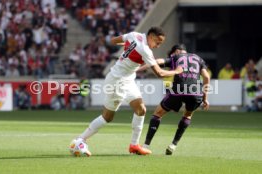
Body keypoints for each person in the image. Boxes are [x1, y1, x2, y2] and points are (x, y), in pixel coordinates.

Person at [71, 27, 183, 156]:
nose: (157, 46)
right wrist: (176, 71)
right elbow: (159, 73)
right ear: (151, 37)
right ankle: (80, 139)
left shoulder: (134, 35)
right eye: (157, 42)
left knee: (141, 109)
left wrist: (129, 46)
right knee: (107, 117)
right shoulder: (145, 50)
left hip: (128, 80)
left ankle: (134, 145)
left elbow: (113, 41)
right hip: (117, 81)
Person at [140, 44, 210, 155]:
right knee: (187, 115)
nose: (171, 55)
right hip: (196, 91)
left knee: (157, 114)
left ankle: (146, 145)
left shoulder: (176, 57)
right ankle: (173, 145)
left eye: (172, 53)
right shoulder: (198, 58)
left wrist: (139, 69)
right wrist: (205, 98)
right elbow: (206, 77)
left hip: (179, 89)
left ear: (177, 51)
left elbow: (158, 61)